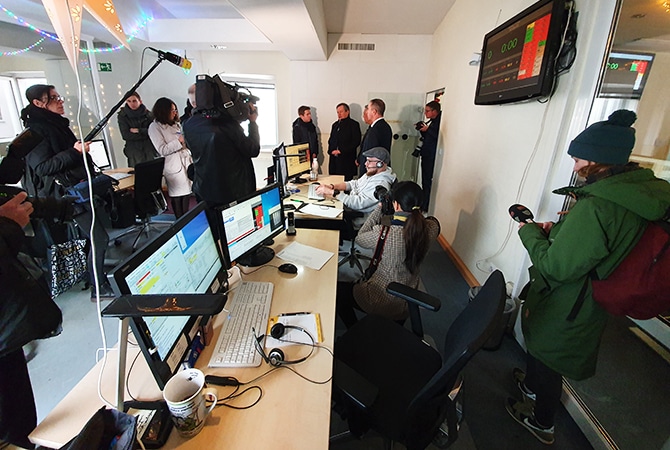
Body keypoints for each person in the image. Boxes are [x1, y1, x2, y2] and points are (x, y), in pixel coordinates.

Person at [506, 110, 670, 445]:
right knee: (541, 346)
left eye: (578, 159)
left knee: (550, 356)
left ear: (598, 160)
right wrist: (560, 230)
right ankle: (532, 387)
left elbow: (555, 266)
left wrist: (529, 232)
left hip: (571, 299)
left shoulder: (598, 206)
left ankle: (542, 421)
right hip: (591, 291)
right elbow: (601, 241)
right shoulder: (631, 192)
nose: (574, 165)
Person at [20, 84, 114, 299]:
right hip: (65, 196)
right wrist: (74, 151)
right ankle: (98, 287)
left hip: (77, 189)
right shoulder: (35, 132)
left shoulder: (57, 125)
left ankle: (94, 276)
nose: (60, 101)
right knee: (99, 238)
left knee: (92, 238)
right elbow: (42, 167)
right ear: (38, 103)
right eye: (54, 98)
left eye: (58, 96)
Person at [336, 181, 440, 327]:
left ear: (396, 205)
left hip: (379, 299)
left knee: (338, 293)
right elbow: (433, 222)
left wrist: (379, 208)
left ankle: (354, 328)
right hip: (407, 301)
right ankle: (394, 327)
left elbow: (360, 237)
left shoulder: (384, 233)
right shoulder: (430, 230)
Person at [182, 95, 260, 207]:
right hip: (231, 192)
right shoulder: (228, 125)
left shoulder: (188, 125)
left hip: (204, 189)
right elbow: (253, 150)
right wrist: (252, 123)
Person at [148, 97, 193, 218]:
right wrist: (179, 141)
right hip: (173, 165)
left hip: (185, 162)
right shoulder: (154, 127)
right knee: (177, 196)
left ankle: (186, 221)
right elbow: (162, 149)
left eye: (175, 110)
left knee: (187, 194)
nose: (175, 113)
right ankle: (179, 221)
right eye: (172, 110)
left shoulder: (176, 124)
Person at [316, 146, 396, 214]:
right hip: (349, 207)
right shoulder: (373, 173)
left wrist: (332, 192)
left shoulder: (380, 185)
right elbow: (354, 184)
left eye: (369, 161)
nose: (365, 164)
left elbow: (357, 203)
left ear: (380, 164)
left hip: (355, 217)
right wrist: (332, 187)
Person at [116, 91, 157, 167]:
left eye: (134, 101)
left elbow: (154, 132)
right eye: (129, 101)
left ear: (140, 101)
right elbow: (126, 135)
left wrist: (139, 131)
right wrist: (146, 133)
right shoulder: (123, 116)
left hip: (150, 150)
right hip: (134, 153)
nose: (132, 104)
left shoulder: (149, 114)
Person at [416, 100, 441, 211]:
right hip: (426, 154)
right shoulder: (432, 121)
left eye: (427, 111)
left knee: (427, 181)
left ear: (434, 111)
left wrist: (428, 129)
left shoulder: (440, 121)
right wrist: (422, 129)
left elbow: (437, 136)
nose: (425, 113)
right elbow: (427, 137)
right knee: (425, 181)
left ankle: (426, 204)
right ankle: (424, 203)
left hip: (431, 156)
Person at [357, 98, 392, 176]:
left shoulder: (378, 128)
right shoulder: (378, 127)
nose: (366, 112)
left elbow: (372, 153)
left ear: (374, 112)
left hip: (374, 172)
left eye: (368, 109)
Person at [327, 103, 361, 181]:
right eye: (337, 112)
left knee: (346, 183)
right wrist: (330, 151)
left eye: (341, 112)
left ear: (347, 111)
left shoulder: (354, 124)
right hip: (334, 160)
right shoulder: (335, 125)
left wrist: (341, 150)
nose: (339, 114)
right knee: (333, 181)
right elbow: (331, 140)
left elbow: (356, 142)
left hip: (346, 160)